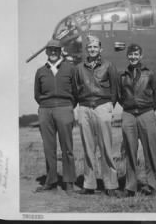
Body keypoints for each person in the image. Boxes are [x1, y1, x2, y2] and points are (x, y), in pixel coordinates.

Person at [74, 35, 123, 197]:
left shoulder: (109, 65)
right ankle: (89, 184)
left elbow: (115, 88)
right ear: (87, 49)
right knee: (88, 148)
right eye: (90, 47)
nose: (92, 49)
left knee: (106, 148)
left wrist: (110, 105)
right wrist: (80, 106)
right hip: (85, 108)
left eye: (95, 47)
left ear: (100, 49)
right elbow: (76, 88)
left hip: (103, 107)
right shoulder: (79, 68)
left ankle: (110, 184)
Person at [118, 44, 156, 196]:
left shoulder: (149, 73)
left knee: (150, 150)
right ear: (127, 56)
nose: (133, 57)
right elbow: (119, 95)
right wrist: (129, 107)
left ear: (141, 56)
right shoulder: (123, 75)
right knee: (130, 151)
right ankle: (130, 187)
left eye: (136, 54)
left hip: (146, 114)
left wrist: (149, 109)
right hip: (129, 114)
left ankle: (153, 185)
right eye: (130, 54)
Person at [34, 39, 77, 192]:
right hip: (45, 110)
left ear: (61, 51)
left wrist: (68, 106)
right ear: (46, 52)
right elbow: (37, 95)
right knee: (49, 148)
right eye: (50, 50)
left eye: (56, 50)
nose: (53, 52)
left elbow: (76, 92)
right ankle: (51, 181)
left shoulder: (70, 69)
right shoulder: (40, 71)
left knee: (67, 147)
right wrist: (47, 106)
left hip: (65, 108)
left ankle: (69, 181)